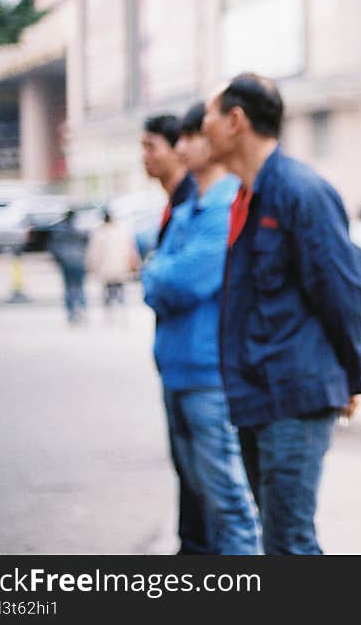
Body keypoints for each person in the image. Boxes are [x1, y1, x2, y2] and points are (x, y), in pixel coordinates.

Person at [202, 73, 361, 555]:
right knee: (280, 537)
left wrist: (350, 378)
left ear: (236, 121)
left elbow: (344, 289)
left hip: (294, 394)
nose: (201, 129)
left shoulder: (301, 191)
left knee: (288, 541)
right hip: (257, 391)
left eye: (208, 117)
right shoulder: (245, 195)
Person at [142, 102, 260, 554]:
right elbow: (157, 278)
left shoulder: (225, 203)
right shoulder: (191, 204)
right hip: (177, 370)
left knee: (227, 502)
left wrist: (156, 273)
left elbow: (183, 280)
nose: (183, 146)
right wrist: (157, 275)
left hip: (210, 374)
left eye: (192, 137)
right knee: (201, 496)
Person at [141, 113, 207, 554]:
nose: (145, 157)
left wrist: (151, 272)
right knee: (191, 475)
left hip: (202, 367)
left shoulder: (199, 200)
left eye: (152, 146)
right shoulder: (178, 201)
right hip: (178, 360)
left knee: (215, 488)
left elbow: (177, 280)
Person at [141, 114, 196, 248]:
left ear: (177, 148)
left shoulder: (192, 198)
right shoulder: (174, 200)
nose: (144, 156)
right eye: (144, 147)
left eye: (151, 147)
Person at [86, 210, 139, 323]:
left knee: (107, 292)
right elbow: (131, 250)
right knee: (120, 291)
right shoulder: (122, 231)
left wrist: (93, 267)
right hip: (121, 267)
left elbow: (94, 253)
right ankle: (122, 314)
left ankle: (109, 315)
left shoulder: (99, 233)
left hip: (106, 268)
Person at [49, 209, 89, 325]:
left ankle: (71, 311)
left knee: (69, 288)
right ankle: (82, 309)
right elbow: (87, 243)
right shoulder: (80, 229)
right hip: (79, 262)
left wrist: (59, 260)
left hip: (66, 263)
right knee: (80, 287)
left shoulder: (59, 230)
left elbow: (54, 248)